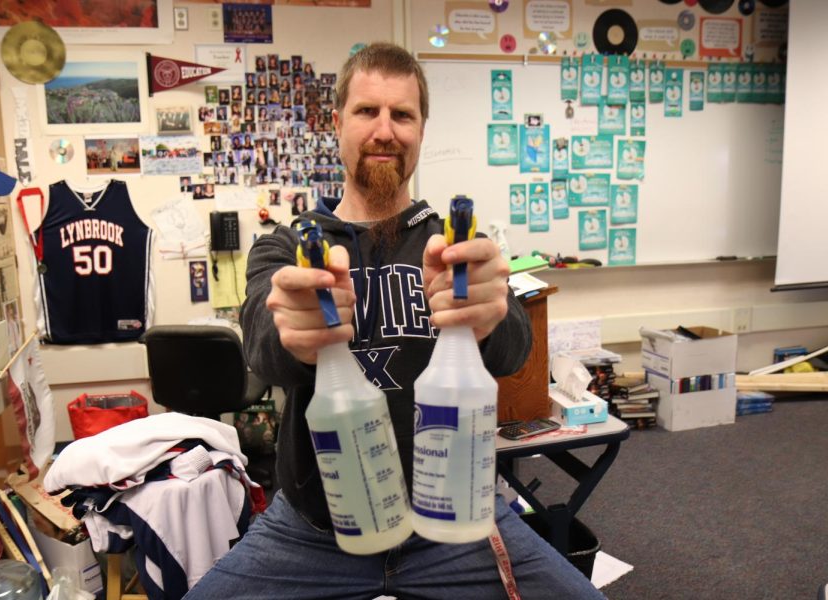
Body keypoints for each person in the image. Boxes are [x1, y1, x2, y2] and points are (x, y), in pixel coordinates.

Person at [187, 43, 603, 600]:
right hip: (315, 532)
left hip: (454, 527)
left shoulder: (458, 246)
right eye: (367, 111)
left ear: (421, 129)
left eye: (402, 115)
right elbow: (262, 348)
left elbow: (513, 354)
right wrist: (298, 328)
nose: (385, 130)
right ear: (337, 124)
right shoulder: (287, 247)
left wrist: (489, 315)